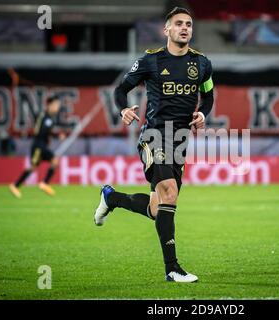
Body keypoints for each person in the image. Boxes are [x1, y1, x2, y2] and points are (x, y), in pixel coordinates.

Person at [93, 7, 214, 282]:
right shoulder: (151, 61)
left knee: (157, 209)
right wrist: (123, 109)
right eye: (179, 24)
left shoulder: (203, 63)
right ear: (167, 30)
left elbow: (208, 96)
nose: (185, 28)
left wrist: (203, 113)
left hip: (180, 139)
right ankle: (172, 269)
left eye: (189, 24)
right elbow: (121, 89)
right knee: (170, 192)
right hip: (154, 135)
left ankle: (111, 198)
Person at [9, 95, 62, 198]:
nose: (57, 108)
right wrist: (55, 135)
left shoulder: (47, 117)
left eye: (58, 105)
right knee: (54, 160)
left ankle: (15, 185)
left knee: (34, 167)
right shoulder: (46, 117)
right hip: (39, 146)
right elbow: (41, 131)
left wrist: (55, 135)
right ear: (50, 105)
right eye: (56, 105)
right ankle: (44, 183)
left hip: (39, 145)